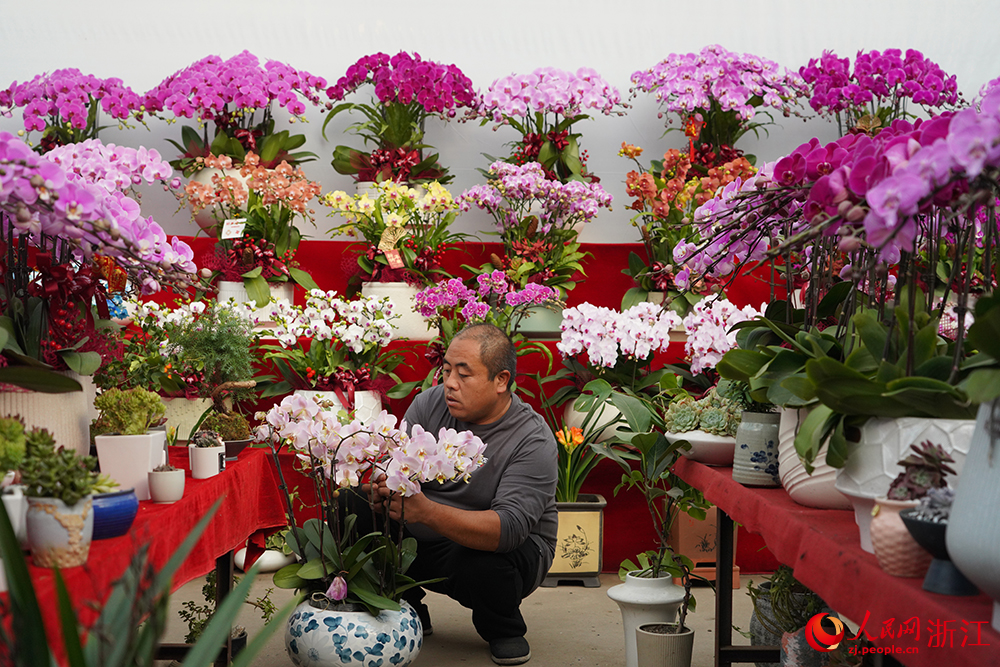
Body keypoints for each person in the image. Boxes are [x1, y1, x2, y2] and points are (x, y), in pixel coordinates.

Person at [368, 323, 558, 666]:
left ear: (501, 380)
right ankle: (404, 606)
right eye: (446, 370)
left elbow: (509, 529)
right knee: (350, 507)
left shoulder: (532, 439)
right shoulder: (429, 404)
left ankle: (503, 628)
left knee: (485, 564)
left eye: (464, 374)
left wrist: (425, 512)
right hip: (425, 533)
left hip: (503, 551)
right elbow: (392, 465)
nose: (449, 383)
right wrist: (379, 487)